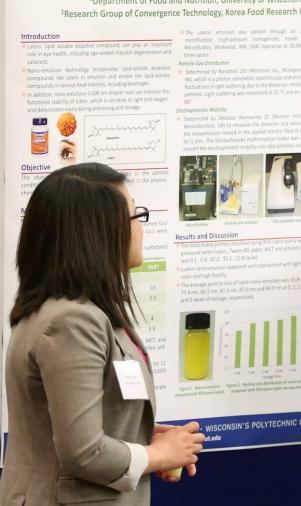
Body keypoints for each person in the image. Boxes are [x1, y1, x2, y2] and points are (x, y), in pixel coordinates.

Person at [0, 163, 205, 505]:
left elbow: (71, 427)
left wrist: (142, 441)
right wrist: (156, 457)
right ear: (97, 233)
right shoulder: (71, 321)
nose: (140, 227)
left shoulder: (80, 311)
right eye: (132, 216)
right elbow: (83, 452)